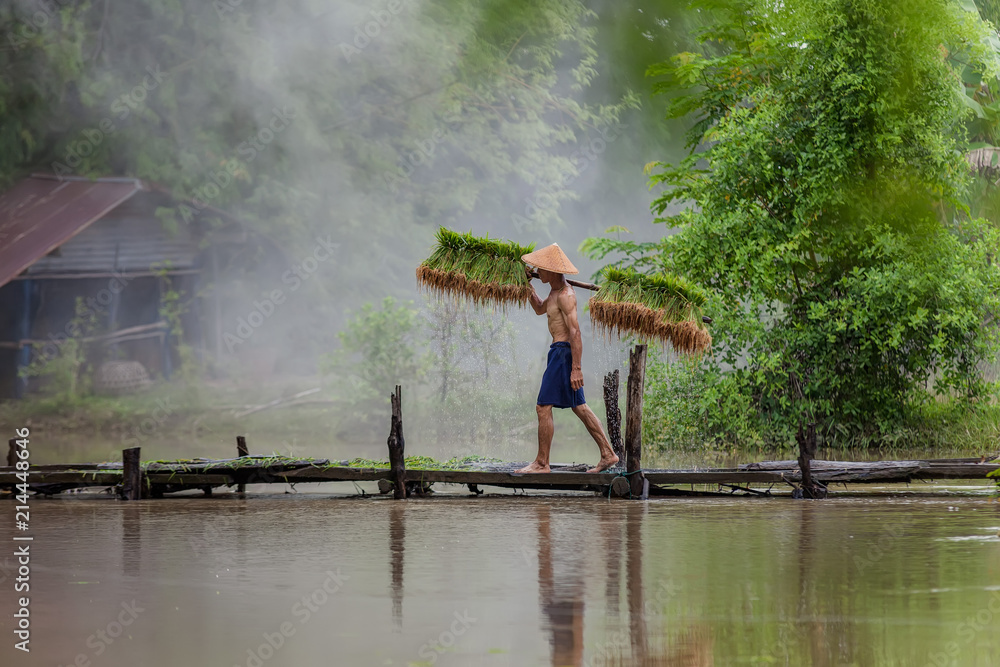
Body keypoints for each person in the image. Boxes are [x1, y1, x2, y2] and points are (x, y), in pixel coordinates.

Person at [516, 243, 619, 474]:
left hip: (563, 353)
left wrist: (577, 368)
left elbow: (575, 332)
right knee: (579, 406)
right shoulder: (554, 293)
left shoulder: (566, 295)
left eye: (540, 268)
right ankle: (607, 453)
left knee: (543, 407)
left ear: (552, 271)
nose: (537, 270)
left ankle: (542, 463)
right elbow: (540, 309)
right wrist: (527, 284)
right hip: (559, 353)